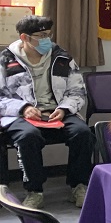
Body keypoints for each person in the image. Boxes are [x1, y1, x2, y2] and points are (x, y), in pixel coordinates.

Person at [0, 15, 93, 209]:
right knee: (28, 137)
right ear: (24, 37)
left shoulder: (62, 58)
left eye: (48, 35)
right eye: (41, 36)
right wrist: (23, 108)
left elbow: (77, 91)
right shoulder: (5, 60)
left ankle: (79, 186)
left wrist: (64, 108)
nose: (47, 40)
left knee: (83, 133)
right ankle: (34, 191)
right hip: (20, 115)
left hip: (57, 111)